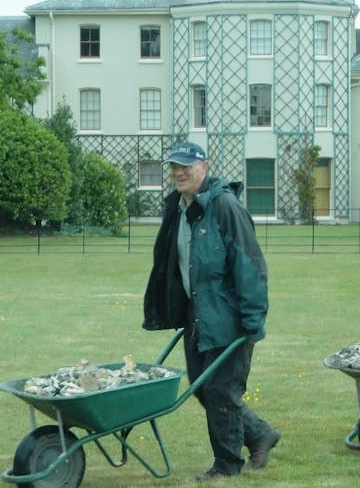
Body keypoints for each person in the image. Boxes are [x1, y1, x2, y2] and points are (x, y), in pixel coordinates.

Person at [143, 141, 280, 480]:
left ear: (205, 166)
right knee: (203, 387)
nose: (178, 172)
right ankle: (260, 434)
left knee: (222, 390)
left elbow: (250, 266)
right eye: (174, 166)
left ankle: (226, 466)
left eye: (186, 166)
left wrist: (252, 322)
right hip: (197, 314)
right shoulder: (177, 207)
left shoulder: (224, 207)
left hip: (228, 317)